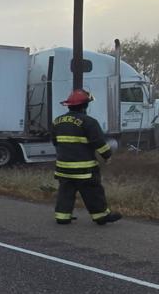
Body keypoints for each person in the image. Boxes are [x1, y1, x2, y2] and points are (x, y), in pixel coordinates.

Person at [51, 88, 121, 225]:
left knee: (65, 192)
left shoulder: (57, 121)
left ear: (69, 105)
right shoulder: (89, 122)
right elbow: (99, 143)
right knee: (93, 191)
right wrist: (107, 156)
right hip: (85, 169)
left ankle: (62, 217)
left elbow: (55, 142)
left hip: (63, 168)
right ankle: (101, 216)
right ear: (85, 106)